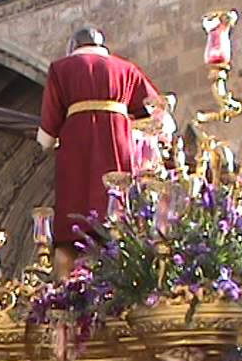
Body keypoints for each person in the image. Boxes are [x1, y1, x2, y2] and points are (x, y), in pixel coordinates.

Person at [38, 27, 160, 280]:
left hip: (76, 145)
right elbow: (154, 109)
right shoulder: (126, 69)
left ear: (73, 46)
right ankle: (125, 272)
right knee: (116, 206)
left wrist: (46, 139)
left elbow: (51, 117)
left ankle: (66, 281)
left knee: (73, 211)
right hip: (117, 139)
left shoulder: (61, 68)